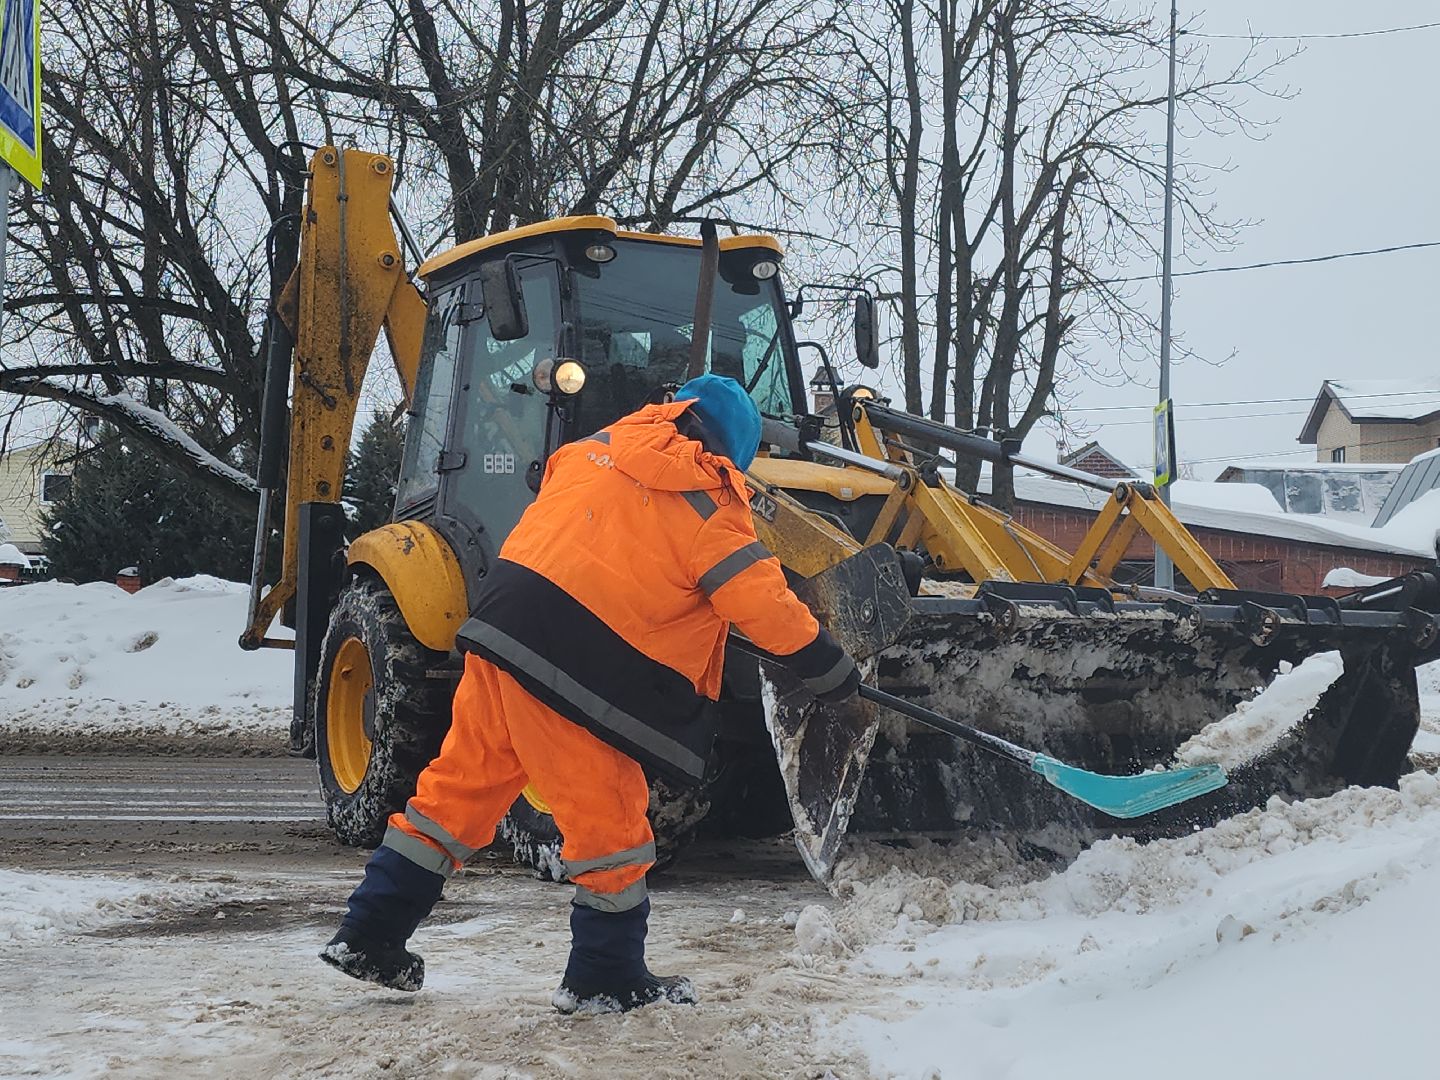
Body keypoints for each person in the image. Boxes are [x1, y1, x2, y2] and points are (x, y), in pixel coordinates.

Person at [320, 373, 860, 1014]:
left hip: (500, 633)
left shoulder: (587, 452)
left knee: (454, 795)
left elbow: (597, 544)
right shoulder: (708, 504)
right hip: (572, 664)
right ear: (728, 452)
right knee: (610, 823)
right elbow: (761, 604)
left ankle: (370, 934)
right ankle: (605, 973)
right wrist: (829, 669)